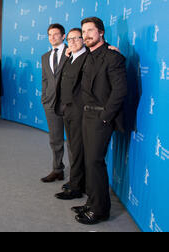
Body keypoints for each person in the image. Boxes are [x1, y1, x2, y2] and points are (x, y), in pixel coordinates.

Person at [73, 17, 128, 225]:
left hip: (101, 117)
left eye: (90, 31)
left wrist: (105, 117)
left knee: (95, 162)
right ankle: (92, 202)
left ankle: (100, 210)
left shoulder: (113, 57)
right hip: (86, 116)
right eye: (84, 31)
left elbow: (120, 90)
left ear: (101, 32)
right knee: (89, 162)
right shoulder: (87, 56)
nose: (86, 35)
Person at [53, 28, 88, 201]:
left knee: (78, 149)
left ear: (84, 39)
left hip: (79, 111)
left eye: (77, 38)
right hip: (66, 110)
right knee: (74, 149)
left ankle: (76, 187)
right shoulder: (70, 57)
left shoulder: (87, 57)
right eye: (70, 38)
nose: (73, 41)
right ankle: (77, 181)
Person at [40, 23, 69, 184]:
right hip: (50, 104)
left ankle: (78, 177)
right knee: (55, 139)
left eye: (56, 34)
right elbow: (45, 79)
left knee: (73, 142)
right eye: (50, 34)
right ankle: (57, 170)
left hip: (69, 104)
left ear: (63, 36)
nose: (52, 37)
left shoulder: (72, 52)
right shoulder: (45, 56)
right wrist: (44, 98)